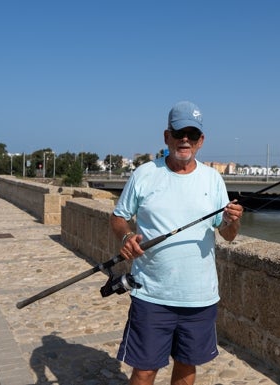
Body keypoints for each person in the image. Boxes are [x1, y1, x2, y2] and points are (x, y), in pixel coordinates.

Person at [110, 101, 243, 385]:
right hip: (151, 295)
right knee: (144, 371)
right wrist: (126, 236)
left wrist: (233, 220)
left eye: (192, 135)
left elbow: (228, 234)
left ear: (201, 141)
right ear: (167, 136)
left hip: (199, 297)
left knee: (186, 369)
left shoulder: (213, 179)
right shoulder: (145, 174)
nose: (185, 140)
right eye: (179, 132)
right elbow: (118, 217)